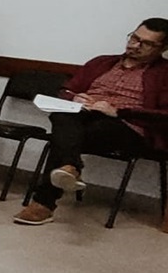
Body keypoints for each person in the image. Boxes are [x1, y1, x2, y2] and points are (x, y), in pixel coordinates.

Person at [14, 18, 168, 226]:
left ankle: (44, 203)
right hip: (85, 115)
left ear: (163, 48)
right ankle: (70, 166)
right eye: (134, 37)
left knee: (68, 136)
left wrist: (118, 111)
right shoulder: (102, 63)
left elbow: (163, 115)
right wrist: (74, 98)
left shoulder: (164, 73)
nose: (134, 45)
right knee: (62, 115)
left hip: (128, 127)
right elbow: (66, 89)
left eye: (146, 43)